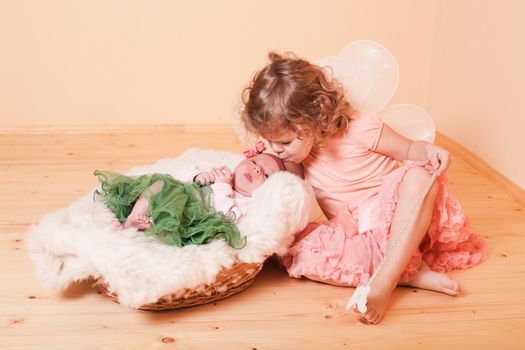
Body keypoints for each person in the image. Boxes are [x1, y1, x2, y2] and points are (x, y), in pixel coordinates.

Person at [240, 52, 487, 324]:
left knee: (418, 177)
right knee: (295, 251)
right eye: (269, 141)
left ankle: (384, 282)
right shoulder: (295, 155)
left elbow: (409, 149)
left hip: (401, 222)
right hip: (357, 235)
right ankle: (409, 272)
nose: (277, 149)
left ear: (312, 120)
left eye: (284, 142)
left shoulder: (360, 127)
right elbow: (274, 185)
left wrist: (430, 151)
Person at [94, 143, 286, 248]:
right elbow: (178, 178)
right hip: (176, 198)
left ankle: (148, 227)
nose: (257, 169)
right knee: (160, 182)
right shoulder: (223, 172)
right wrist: (198, 176)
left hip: (192, 219)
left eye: (266, 174)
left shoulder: (246, 202)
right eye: (254, 161)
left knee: (172, 221)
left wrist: (222, 186)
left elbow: (229, 217)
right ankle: (134, 218)